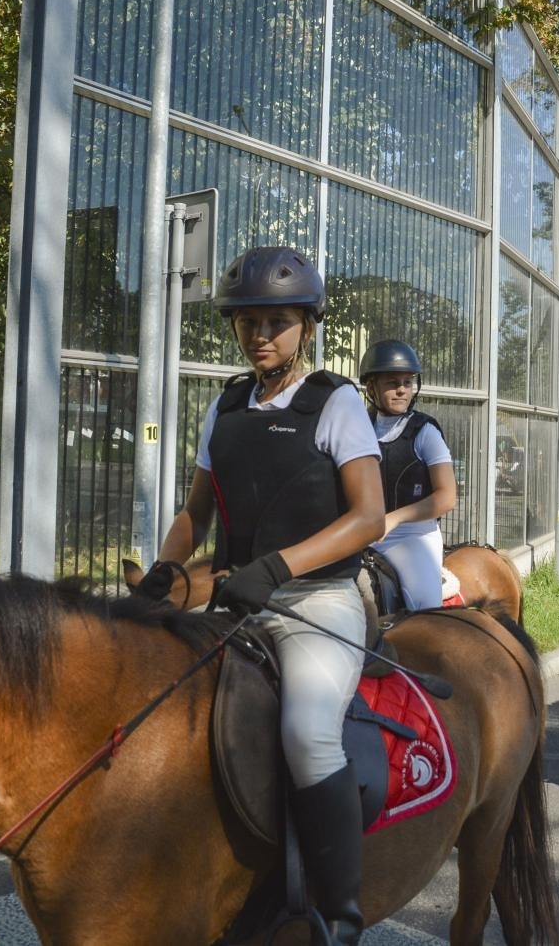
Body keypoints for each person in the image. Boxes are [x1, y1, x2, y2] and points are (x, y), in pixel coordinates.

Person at [135, 246, 383, 945]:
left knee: (307, 734)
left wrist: (277, 569)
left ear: (307, 326)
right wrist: (167, 569)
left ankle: (338, 912)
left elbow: (366, 517)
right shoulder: (226, 404)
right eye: (248, 322)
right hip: (235, 602)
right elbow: (197, 512)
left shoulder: (335, 402)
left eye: (277, 321)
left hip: (315, 603)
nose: (260, 334)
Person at [359, 339, 457, 611]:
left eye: (407, 382)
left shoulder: (425, 432)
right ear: (371, 387)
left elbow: (447, 497)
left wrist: (393, 519)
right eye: (392, 382)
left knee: (424, 611)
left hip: (413, 537)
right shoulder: (358, 427)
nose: (402, 389)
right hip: (362, 532)